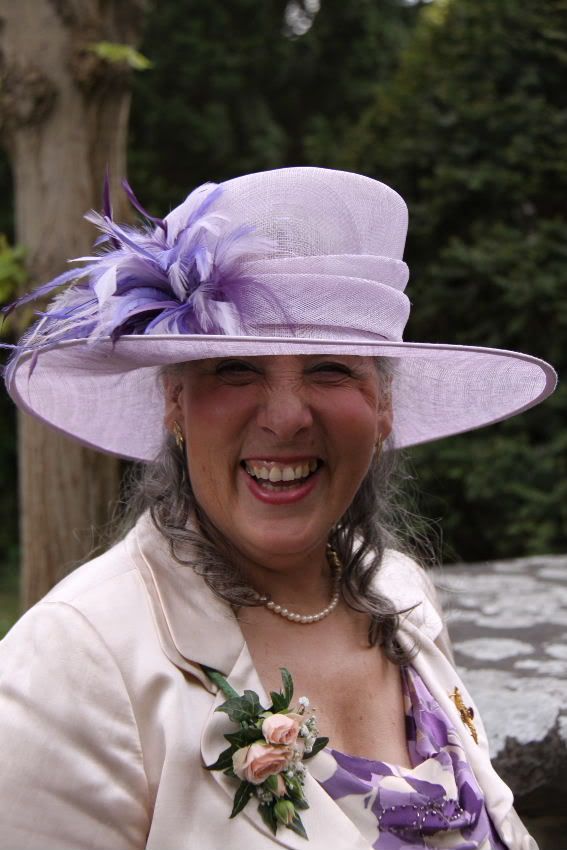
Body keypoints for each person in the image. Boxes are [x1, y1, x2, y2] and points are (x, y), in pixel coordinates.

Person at [0, 167, 555, 850]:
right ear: (175, 401)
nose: (287, 418)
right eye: (236, 369)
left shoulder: (403, 596)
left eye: (330, 368)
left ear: (382, 406)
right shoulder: (75, 660)